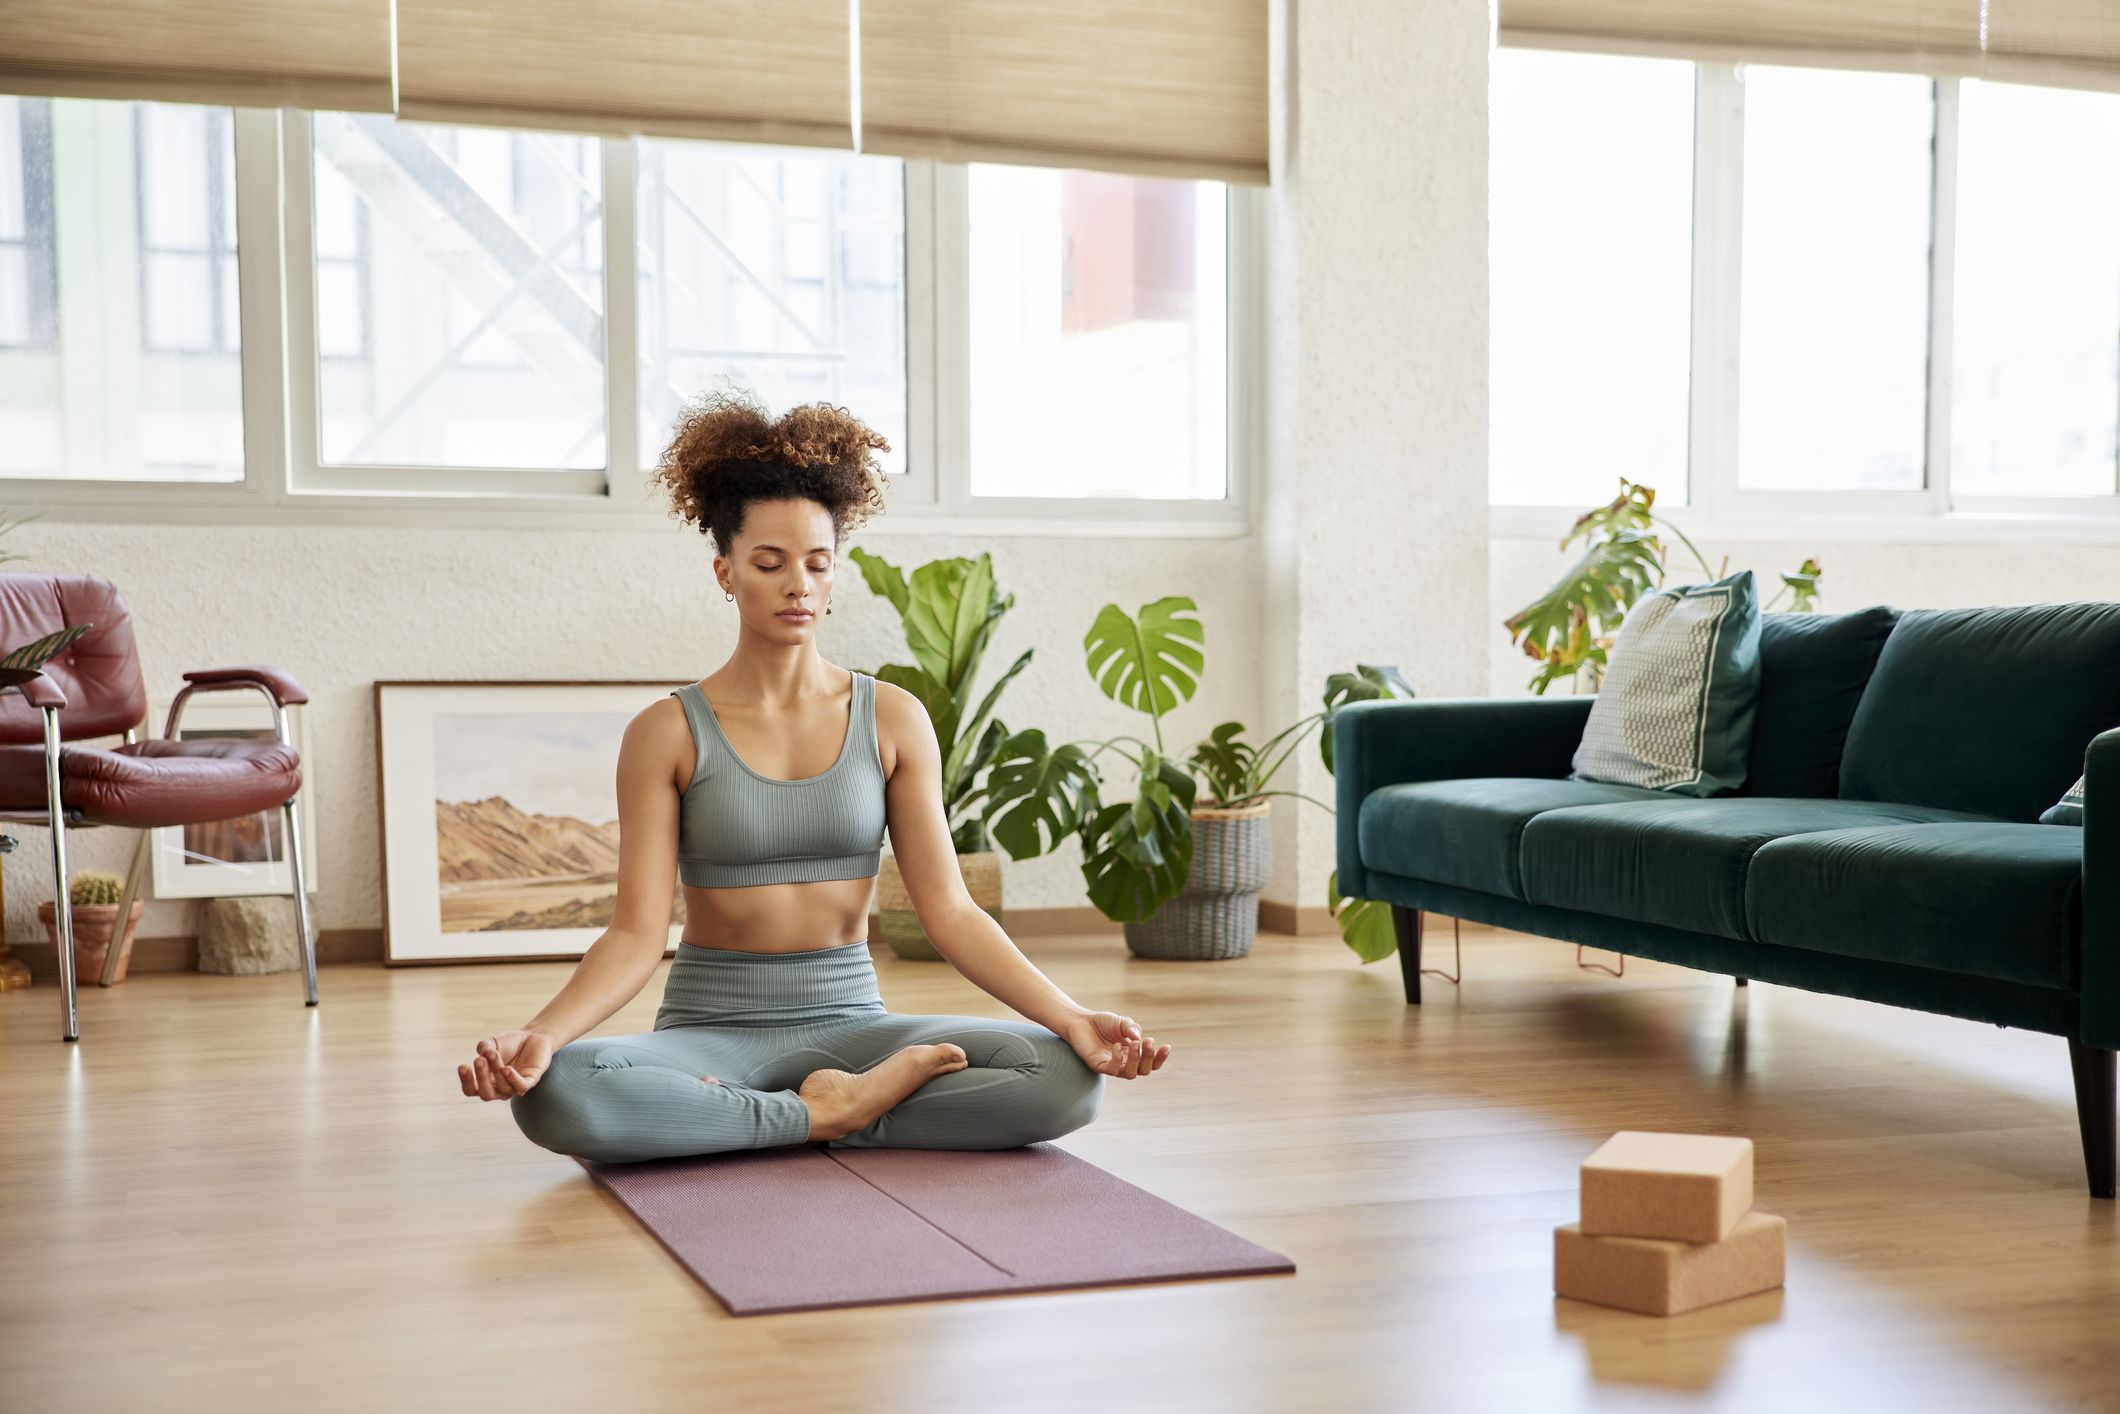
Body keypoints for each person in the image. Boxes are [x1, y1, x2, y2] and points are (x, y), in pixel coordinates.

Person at [456, 391, 1171, 1163]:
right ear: (725, 571)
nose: (796, 583)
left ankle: (772, 1115)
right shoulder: (665, 733)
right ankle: (833, 1115)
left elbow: (952, 912)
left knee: (1061, 1079)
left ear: (833, 580)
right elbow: (635, 935)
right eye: (769, 563)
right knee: (563, 1095)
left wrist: (1070, 1018)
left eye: (816, 563)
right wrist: (543, 1034)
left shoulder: (892, 719)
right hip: (711, 1031)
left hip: (857, 1025)